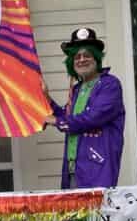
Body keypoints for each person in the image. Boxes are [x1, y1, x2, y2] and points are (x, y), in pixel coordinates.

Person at [43, 27, 125, 189]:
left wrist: (56, 121)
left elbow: (91, 118)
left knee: (95, 215)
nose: (81, 60)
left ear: (96, 58)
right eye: (77, 56)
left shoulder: (110, 85)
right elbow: (68, 119)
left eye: (87, 55)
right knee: (74, 215)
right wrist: (46, 98)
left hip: (98, 172)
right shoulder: (77, 89)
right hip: (73, 170)